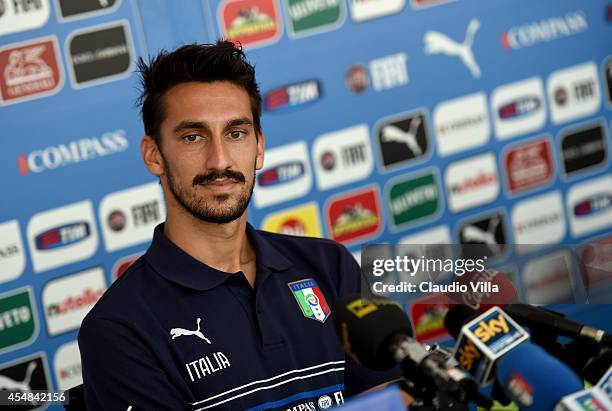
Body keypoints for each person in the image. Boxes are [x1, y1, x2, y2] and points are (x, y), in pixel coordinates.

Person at [78, 40, 400, 410]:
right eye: (193, 136)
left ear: (259, 147)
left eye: (236, 133)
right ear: (154, 155)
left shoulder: (331, 266)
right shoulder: (119, 328)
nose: (219, 160)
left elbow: (387, 399)